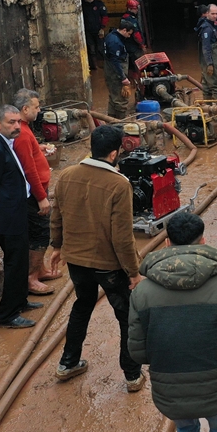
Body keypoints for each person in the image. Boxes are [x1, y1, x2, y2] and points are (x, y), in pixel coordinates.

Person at [128, 213, 217, 432]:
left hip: (169, 387)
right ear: (202, 241)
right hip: (216, 383)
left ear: (167, 244)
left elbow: (137, 351)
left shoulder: (142, 292)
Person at [51, 124, 146, 391]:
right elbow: (122, 237)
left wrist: (57, 247)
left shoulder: (67, 175)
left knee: (82, 305)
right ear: (115, 154)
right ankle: (131, 375)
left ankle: (68, 363)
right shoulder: (119, 184)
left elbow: (57, 215)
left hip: (77, 262)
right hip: (109, 266)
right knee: (127, 315)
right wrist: (134, 271)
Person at [0, 105, 41, 329]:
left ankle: (20, 301)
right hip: (9, 215)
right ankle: (8, 315)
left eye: (17, 121)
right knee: (15, 263)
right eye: (10, 123)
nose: (16, 126)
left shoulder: (2, 142)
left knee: (20, 260)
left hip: (15, 210)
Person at [11, 88, 59, 296]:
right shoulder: (21, 134)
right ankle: (31, 277)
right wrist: (41, 198)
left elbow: (29, 153)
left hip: (39, 188)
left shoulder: (25, 129)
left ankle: (40, 269)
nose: (39, 111)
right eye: (36, 107)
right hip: (33, 193)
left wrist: (40, 148)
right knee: (40, 233)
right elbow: (29, 169)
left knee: (40, 231)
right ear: (25, 108)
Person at [103, 21, 137, 118]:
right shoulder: (115, 42)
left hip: (110, 71)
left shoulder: (110, 36)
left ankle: (111, 121)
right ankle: (121, 123)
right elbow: (115, 61)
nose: (129, 36)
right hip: (115, 73)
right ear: (124, 30)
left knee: (113, 97)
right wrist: (123, 77)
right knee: (122, 98)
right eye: (129, 34)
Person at [195, 5, 217, 102]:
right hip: (212, 63)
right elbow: (206, 47)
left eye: (216, 13)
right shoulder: (207, 29)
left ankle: (208, 110)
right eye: (212, 13)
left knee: (207, 86)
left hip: (209, 62)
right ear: (207, 13)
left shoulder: (209, 25)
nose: (215, 16)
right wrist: (210, 64)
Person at [82, 0, 108, 70]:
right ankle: (95, 66)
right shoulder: (84, 6)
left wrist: (102, 28)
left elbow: (105, 17)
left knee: (101, 48)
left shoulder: (99, 5)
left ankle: (107, 65)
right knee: (91, 49)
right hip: (88, 31)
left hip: (98, 30)